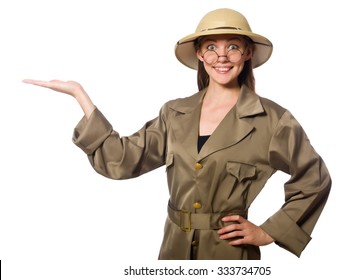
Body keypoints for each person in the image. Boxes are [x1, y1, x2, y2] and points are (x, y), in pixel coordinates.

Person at [23, 8, 331, 260]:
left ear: (247, 53)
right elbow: (122, 160)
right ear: (199, 54)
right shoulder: (174, 113)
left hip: (230, 255)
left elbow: (314, 178)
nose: (221, 57)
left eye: (232, 47)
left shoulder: (273, 120)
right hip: (173, 251)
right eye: (211, 47)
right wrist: (80, 96)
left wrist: (268, 231)